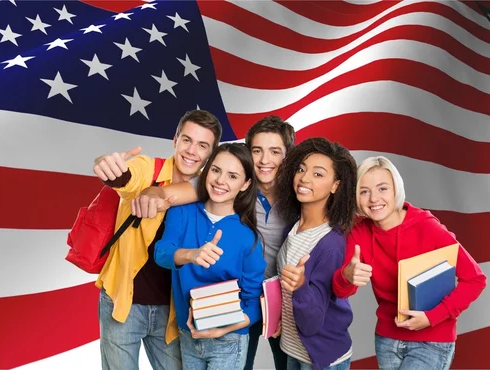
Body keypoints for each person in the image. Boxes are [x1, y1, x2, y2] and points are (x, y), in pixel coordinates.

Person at [128, 115, 295, 369]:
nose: (264, 160)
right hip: (220, 312)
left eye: (274, 151)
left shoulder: (298, 193)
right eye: (257, 151)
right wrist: (153, 192)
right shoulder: (212, 189)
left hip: (281, 298)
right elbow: (170, 199)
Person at [93, 110, 222, 370]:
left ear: (211, 153)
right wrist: (109, 167)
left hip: (170, 311)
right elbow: (126, 179)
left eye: (202, 145)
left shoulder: (210, 190)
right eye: (186, 140)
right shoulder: (146, 168)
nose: (191, 151)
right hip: (123, 302)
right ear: (175, 140)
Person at [332, 156, 487, 370]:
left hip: (431, 340)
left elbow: (475, 280)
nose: (373, 198)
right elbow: (341, 291)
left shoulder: (427, 227)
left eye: (382, 188)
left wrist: (433, 317)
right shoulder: (359, 233)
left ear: (396, 189)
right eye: (364, 191)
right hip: (387, 339)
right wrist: (346, 276)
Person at [154, 143, 267, 370]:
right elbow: (161, 253)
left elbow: (254, 303)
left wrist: (223, 329)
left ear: (245, 184)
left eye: (232, 176)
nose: (220, 181)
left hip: (229, 340)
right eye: (216, 170)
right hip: (188, 334)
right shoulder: (182, 212)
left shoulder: (248, 238)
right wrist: (191, 254)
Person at [275, 137, 356, 370]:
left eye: (318, 174)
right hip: (293, 349)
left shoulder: (330, 244)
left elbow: (312, 322)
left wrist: (300, 287)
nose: (304, 178)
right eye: (301, 169)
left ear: (335, 185)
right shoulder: (293, 227)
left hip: (321, 359)